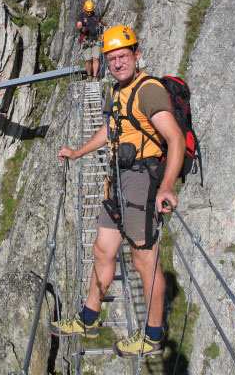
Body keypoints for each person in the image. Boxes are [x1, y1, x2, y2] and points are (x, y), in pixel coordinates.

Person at [50, 25, 186, 358]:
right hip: (117, 181)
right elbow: (111, 128)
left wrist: (166, 186)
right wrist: (79, 152)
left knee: (144, 262)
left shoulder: (149, 90)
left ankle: (152, 336)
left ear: (137, 55)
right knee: (102, 250)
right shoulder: (115, 91)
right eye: (112, 58)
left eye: (123, 56)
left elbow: (176, 138)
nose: (118, 63)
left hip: (141, 183)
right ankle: (88, 318)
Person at [76, 0, 106, 80]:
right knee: (87, 59)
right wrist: (81, 25)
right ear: (85, 10)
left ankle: (94, 77)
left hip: (95, 39)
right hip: (86, 40)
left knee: (95, 58)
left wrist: (104, 23)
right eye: (87, 11)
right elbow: (78, 25)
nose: (89, 13)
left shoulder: (96, 16)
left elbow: (104, 22)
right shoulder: (82, 16)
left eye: (90, 11)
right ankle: (89, 75)